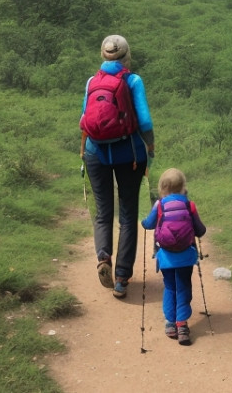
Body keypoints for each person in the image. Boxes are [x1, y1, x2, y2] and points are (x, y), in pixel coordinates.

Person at [81, 34, 155, 298]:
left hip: (95, 153)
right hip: (129, 154)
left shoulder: (92, 82)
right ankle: (122, 278)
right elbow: (144, 122)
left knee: (103, 212)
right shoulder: (133, 80)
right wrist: (151, 146)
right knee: (127, 214)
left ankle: (103, 258)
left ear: (103, 55)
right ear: (127, 55)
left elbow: (83, 118)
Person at [141, 168, 207, 346]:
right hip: (186, 257)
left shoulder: (159, 205)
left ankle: (170, 324)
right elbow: (200, 230)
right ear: (183, 186)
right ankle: (182, 325)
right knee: (183, 287)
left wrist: (143, 222)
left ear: (162, 187)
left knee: (170, 287)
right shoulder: (189, 205)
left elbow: (148, 224)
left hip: (166, 257)